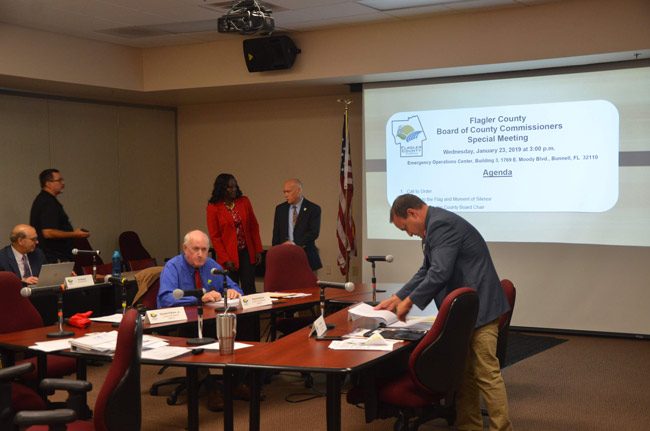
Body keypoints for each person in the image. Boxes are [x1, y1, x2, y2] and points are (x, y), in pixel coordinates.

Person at [376, 194, 513, 431]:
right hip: (467, 312)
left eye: (406, 227)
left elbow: (440, 272)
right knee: (465, 374)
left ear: (413, 213)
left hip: (481, 309)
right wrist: (398, 297)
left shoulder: (441, 224)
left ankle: (502, 428)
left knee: (486, 373)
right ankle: (470, 426)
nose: (409, 234)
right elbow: (425, 270)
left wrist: (409, 302)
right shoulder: (434, 225)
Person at [206, 173, 263, 297]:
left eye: (235, 186)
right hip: (229, 255)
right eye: (230, 187)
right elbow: (215, 237)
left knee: (249, 288)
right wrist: (225, 259)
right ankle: (235, 317)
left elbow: (254, 226)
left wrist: (258, 249)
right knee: (232, 289)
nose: (234, 189)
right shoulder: (213, 208)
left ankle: (252, 316)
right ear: (222, 189)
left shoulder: (244, 201)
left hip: (247, 251)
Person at [157, 230, 242, 308]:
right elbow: (166, 299)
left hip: (209, 318)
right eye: (196, 249)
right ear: (185, 248)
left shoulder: (211, 265)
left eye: (204, 249)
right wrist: (199, 299)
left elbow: (237, 289)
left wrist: (233, 292)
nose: (200, 254)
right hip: (181, 320)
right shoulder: (172, 267)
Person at [29, 169, 90, 263]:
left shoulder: (46, 200)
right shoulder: (47, 202)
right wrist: (75, 234)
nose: (63, 183)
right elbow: (48, 232)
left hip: (54, 254)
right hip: (53, 256)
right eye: (59, 180)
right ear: (48, 183)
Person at [272, 178, 322, 271]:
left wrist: (294, 244)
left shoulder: (313, 209)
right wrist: (276, 252)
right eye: (284, 192)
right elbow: (276, 234)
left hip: (306, 257)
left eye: (288, 191)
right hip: (284, 258)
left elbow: (314, 232)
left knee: (306, 285)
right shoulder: (280, 209)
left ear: (299, 190)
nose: (285, 195)